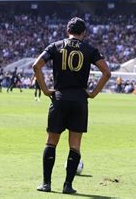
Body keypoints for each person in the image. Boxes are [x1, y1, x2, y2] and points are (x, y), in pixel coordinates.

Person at [33, 17, 111, 194]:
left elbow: (36, 65)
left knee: (51, 142)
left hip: (59, 98)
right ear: (83, 33)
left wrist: (45, 90)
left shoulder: (55, 46)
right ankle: (68, 186)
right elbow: (106, 72)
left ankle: (46, 184)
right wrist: (93, 93)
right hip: (79, 100)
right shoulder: (90, 50)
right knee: (74, 145)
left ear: (67, 30)